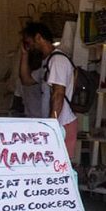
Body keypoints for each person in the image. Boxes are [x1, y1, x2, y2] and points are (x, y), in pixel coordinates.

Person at [20, 22, 78, 159]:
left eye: (30, 43)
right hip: (59, 123)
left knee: (60, 167)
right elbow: (26, 80)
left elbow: (58, 94)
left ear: (39, 37)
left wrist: (52, 125)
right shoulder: (47, 62)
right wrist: (24, 54)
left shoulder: (57, 61)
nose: (30, 47)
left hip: (62, 123)